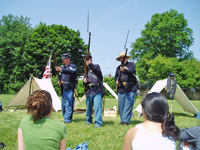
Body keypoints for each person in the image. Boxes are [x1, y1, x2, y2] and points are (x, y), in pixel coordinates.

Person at [114, 52, 137, 126]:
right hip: (121, 88)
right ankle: (122, 120)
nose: (122, 59)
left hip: (130, 87)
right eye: (121, 58)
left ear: (126, 58)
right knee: (121, 106)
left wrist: (124, 70)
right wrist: (116, 81)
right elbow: (115, 76)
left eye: (123, 58)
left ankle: (125, 121)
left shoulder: (131, 65)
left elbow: (131, 72)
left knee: (128, 105)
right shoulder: (118, 68)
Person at [55, 53, 78, 123]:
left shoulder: (73, 66)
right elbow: (59, 76)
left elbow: (70, 71)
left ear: (68, 59)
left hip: (70, 88)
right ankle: (66, 117)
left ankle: (67, 119)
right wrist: (58, 81)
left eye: (64, 59)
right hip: (63, 87)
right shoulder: (63, 67)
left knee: (68, 104)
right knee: (63, 105)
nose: (63, 60)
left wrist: (61, 69)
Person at [83, 55, 103, 128]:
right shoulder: (86, 70)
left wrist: (90, 65)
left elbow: (97, 71)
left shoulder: (96, 66)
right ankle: (88, 120)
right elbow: (84, 79)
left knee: (97, 107)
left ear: (90, 60)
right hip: (89, 90)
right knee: (88, 107)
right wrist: (84, 81)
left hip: (96, 89)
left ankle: (98, 122)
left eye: (87, 60)